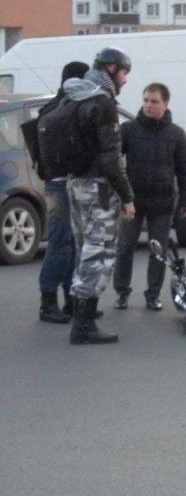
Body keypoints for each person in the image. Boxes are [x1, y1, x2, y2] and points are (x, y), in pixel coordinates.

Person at [63, 48, 136, 344]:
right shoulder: (102, 103)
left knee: (84, 249)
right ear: (109, 69)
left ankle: (81, 312)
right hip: (99, 188)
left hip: (76, 184)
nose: (126, 80)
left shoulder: (73, 95)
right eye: (123, 72)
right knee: (100, 253)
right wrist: (127, 195)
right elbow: (111, 159)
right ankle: (82, 325)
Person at [114, 83, 186, 311]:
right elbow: (114, 161)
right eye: (146, 100)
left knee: (158, 251)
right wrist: (119, 193)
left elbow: (185, 170)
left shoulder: (176, 134)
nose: (149, 105)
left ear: (165, 104)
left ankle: (153, 295)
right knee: (125, 248)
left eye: (154, 101)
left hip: (163, 202)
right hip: (133, 201)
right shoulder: (129, 129)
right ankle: (121, 292)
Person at [31, 62, 90, 324]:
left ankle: (70, 301)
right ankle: (49, 301)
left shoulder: (51, 108)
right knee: (61, 241)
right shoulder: (66, 109)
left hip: (58, 183)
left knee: (71, 242)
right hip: (62, 183)